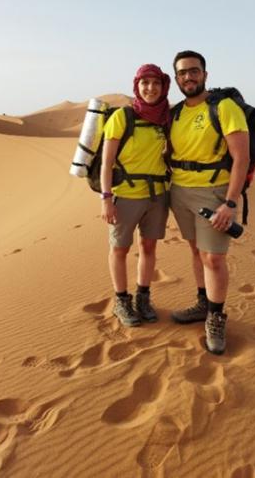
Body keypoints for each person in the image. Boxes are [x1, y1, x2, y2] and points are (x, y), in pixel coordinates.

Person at [169, 51, 249, 355]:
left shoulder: (224, 107)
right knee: (195, 249)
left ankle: (216, 316)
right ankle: (203, 303)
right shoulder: (176, 113)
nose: (188, 77)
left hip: (214, 193)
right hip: (179, 191)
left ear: (205, 74)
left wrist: (230, 203)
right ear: (176, 78)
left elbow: (242, 157)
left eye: (194, 71)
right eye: (182, 73)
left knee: (214, 258)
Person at [100, 64, 170, 327]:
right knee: (120, 248)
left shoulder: (165, 118)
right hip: (127, 195)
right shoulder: (122, 117)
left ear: (163, 87)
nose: (150, 88)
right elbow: (107, 162)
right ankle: (121, 300)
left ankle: (143, 297)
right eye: (145, 83)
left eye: (156, 83)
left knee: (149, 247)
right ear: (136, 86)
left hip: (158, 196)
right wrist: (106, 197)